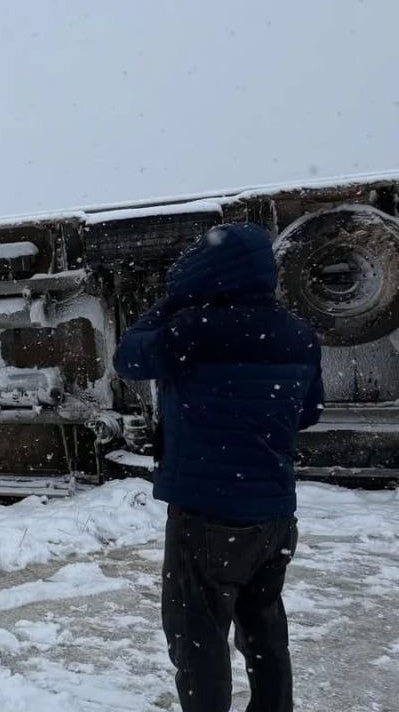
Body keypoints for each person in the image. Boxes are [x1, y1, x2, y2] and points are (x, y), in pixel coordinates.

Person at [114, 222, 323, 712]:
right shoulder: (299, 335)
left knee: (199, 641)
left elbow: (128, 357)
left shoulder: (193, 330)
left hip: (207, 518)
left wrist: (172, 302)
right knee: (265, 630)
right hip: (275, 517)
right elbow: (309, 413)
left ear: (209, 272)